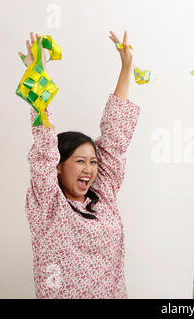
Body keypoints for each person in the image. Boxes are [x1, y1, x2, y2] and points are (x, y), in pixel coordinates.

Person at [20, 31, 140, 298]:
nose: (90, 169)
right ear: (58, 166)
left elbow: (114, 137)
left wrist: (126, 68)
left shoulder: (103, 197)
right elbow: (44, 145)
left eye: (93, 162)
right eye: (80, 161)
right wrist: (35, 72)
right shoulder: (48, 206)